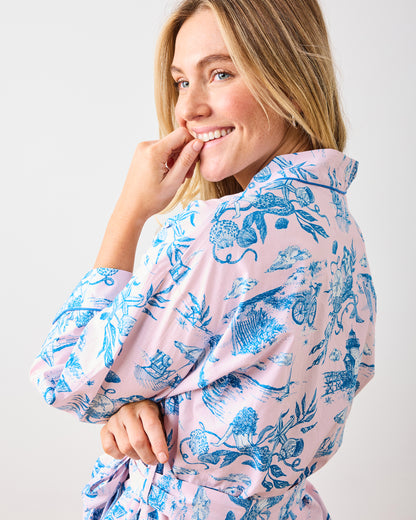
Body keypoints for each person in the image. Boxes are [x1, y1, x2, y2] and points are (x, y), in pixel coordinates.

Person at [30, 0, 376, 518]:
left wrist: (129, 211)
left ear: (287, 77)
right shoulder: (340, 229)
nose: (188, 108)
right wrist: (141, 403)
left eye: (220, 73)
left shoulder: (221, 236)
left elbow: (62, 374)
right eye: (181, 82)